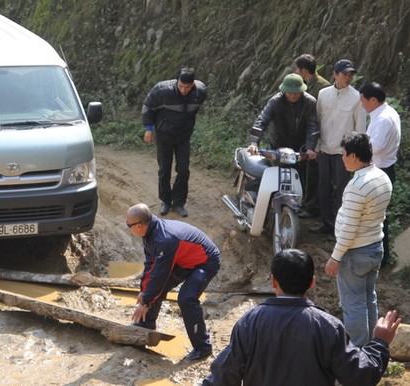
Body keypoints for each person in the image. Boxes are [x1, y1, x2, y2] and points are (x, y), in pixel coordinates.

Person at [203, 249, 401, 386]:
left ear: (273, 281)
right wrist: (380, 343)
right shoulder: (329, 327)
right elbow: (360, 376)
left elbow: (223, 377)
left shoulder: (250, 322)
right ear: (312, 282)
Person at [126, 203, 220, 361]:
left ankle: (203, 347)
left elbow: (160, 275)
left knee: (186, 298)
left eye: (129, 225)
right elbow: (151, 266)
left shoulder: (164, 239)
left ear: (139, 226)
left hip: (205, 261)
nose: (128, 228)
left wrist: (146, 302)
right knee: (154, 290)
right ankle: (146, 326)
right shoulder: (149, 234)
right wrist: (143, 292)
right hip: (183, 259)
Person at [324, 132, 392, 346]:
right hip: (374, 248)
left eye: (343, 154)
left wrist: (335, 257)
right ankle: (374, 348)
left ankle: (357, 357)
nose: (342, 158)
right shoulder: (382, 177)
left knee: (353, 306)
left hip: (355, 253)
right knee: (368, 300)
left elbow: (349, 229)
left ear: (353, 156)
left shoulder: (357, 186)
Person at [142, 68, 207, 217]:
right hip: (164, 134)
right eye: (180, 86)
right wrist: (149, 129)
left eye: (187, 87)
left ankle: (178, 203)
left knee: (183, 170)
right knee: (164, 170)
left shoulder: (200, 92)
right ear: (176, 82)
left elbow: (194, 111)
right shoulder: (162, 90)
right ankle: (165, 201)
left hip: (183, 136)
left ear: (193, 85)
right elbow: (148, 106)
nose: (183, 90)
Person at [311, 59, 366, 235]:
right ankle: (327, 223)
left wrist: (356, 153)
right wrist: (317, 145)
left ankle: (341, 228)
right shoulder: (323, 94)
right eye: (345, 74)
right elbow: (318, 121)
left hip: (345, 152)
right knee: (323, 187)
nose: (348, 77)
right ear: (335, 74)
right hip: (325, 148)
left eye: (351, 74)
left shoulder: (357, 97)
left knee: (343, 189)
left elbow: (361, 128)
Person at [360, 82, 401, 267]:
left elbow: (377, 146)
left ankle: (380, 257)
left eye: (363, 101)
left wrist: (359, 145)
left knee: (376, 216)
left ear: (373, 100)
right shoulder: (386, 113)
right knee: (375, 214)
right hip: (382, 168)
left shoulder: (384, 118)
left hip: (380, 170)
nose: (362, 104)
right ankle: (378, 255)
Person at [247, 73, 318, 162]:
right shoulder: (275, 102)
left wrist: (310, 147)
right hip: (277, 147)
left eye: (296, 93)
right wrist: (254, 142)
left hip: (300, 149)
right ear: (284, 90)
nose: (293, 95)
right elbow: (262, 121)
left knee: (302, 174)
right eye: (290, 93)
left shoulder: (309, 103)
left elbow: (313, 127)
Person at [294, 53, 331, 218]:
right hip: (309, 135)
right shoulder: (309, 84)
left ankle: (312, 207)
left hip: (320, 137)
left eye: (297, 68)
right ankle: (309, 204)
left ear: (302, 70)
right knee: (309, 171)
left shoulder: (322, 87)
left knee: (315, 174)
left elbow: (324, 116)